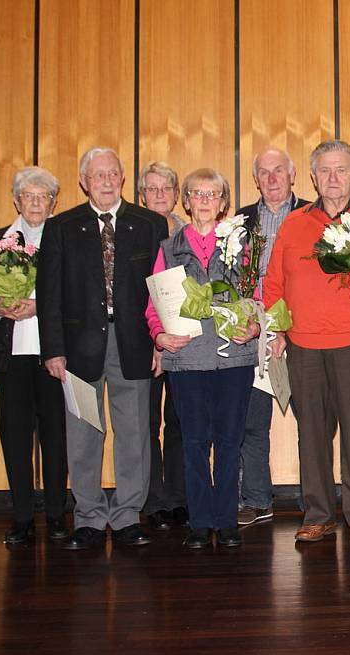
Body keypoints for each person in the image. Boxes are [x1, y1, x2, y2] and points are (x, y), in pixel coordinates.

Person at [264, 139, 350, 544]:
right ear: (313, 177)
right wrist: (277, 329)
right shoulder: (293, 224)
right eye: (324, 170)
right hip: (304, 344)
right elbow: (274, 283)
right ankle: (318, 514)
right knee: (312, 433)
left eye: (341, 170)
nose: (333, 178)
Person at [37, 147, 168, 550]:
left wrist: (161, 341)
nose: (106, 181)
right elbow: (49, 294)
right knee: (83, 434)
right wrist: (53, 349)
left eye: (113, 173)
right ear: (84, 181)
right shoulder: (61, 227)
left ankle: (128, 515)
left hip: (135, 345)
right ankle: (90, 517)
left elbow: (162, 288)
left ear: (123, 177)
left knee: (134, 433)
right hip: (78, 350)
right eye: (98, 175)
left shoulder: (150, 224)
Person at [146, 168, 259, 549]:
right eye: (198, 193)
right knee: (193, 441)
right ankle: (200, 520)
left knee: (230, 440)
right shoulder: (168, 247)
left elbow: (257, 294)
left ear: (224, 202)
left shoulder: (241, 243)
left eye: (213, 194)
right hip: (187, 356)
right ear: (187, 201)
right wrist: (159, 335)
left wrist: (254, 327)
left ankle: (225, 520)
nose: (205, 200)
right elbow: (153, 305)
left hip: (233, 354)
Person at [0, 166, 68, 545]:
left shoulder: (64, 238)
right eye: (29, 196)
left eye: (44, 197)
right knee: (15, 437)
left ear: (54, 202)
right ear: (16, 200)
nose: (36, 203)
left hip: (54, 355)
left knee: (56, 437)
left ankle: (57, 514)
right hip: (10, 357)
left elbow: (76, 294)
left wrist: (39, 305)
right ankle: (22, 516)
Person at [234, 148, 309, 526]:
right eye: (264, 172)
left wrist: (285, 326)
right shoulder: (239, 222)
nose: (272, 178)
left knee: (312, 420)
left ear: (293, 174)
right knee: (252, 421)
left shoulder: (313, 215)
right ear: (256, 180)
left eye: (279, 170)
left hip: (306, 331)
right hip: (255, 334)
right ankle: (256, 499)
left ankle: (315, 501)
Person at [137, 161, 188, 530]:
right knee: (147, 423)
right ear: (142, 195)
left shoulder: (189, 234)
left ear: (176, 195)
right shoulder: (131, 232)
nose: (158, 194)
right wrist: (154, 338)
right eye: (151, 188)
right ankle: (153, 498)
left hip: (184, 340)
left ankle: (179, 498)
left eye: (165, 188)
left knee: (180, 422)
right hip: (142, 339)